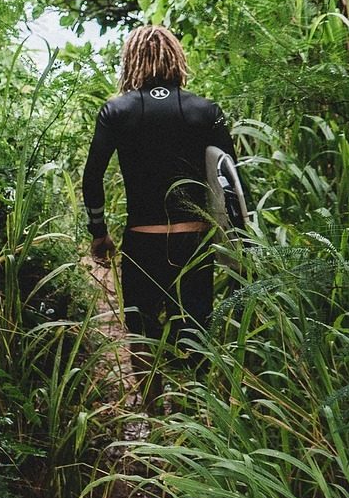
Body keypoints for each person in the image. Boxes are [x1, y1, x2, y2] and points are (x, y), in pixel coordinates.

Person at [82, 25, 237, 406]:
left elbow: (92, 177)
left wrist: (99, 232)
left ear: (132, 60)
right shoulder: (206, 111)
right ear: (175, 59)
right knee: (196, 329)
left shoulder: (116, 111)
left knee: (143, 330)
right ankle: (191, 420)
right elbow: (232, 180)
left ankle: (154, 417)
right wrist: (236, 243)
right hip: (193, 240)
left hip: (143, 239)